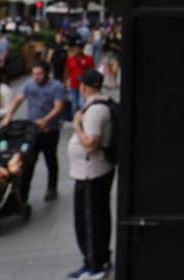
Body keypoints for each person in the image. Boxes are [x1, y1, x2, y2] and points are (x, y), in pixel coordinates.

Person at [67, 70, 115, 280]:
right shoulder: (98, 105)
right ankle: (99, 259)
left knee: (89, 220)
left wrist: (76, 124)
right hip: (93, 172)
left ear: (85, 87)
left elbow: (90, 143)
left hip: (91, 174)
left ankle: (94, 265)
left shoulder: (95, 111)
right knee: (97, 217)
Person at [1, 63, 66, 202]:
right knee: (28, 161)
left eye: (39, 74)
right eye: (34, 74)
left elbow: (58, 106)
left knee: (50, 159)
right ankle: (23, 193)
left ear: (47, 73)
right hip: (32, 130)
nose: (36, 77)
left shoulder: (56, 86)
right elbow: (18, 100)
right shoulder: (29, 85)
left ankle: (52, 187)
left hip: (50, 129)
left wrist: (46, 119)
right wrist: (8, 116)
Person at [64, 40, 94, 117]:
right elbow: (67, 71)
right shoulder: (70, 59)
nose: (78, 49)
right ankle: (75, 120)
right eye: (77, 47)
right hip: (73, 84)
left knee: (82, 104)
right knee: (74, 104)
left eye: (80, 47)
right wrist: (64, 82)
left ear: (83, 48)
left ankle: (83, 119)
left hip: (84, 85)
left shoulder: (88, 59)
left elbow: (92, 71)